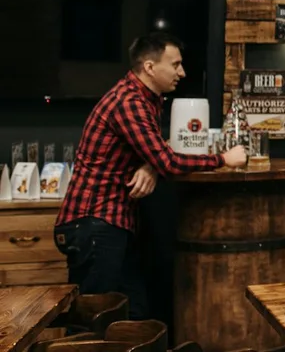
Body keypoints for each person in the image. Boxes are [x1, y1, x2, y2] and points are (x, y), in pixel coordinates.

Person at [54, 33, 247, 319]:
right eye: (176, 64)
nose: (182, 72)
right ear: (150, 67)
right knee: (91, 321)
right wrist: (223, 159)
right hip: (94, 223)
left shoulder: (148, 100)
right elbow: (167, 160)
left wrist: (150, 166)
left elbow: (156, 152)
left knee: (133, 315)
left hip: (112, 224)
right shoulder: (129, 102)